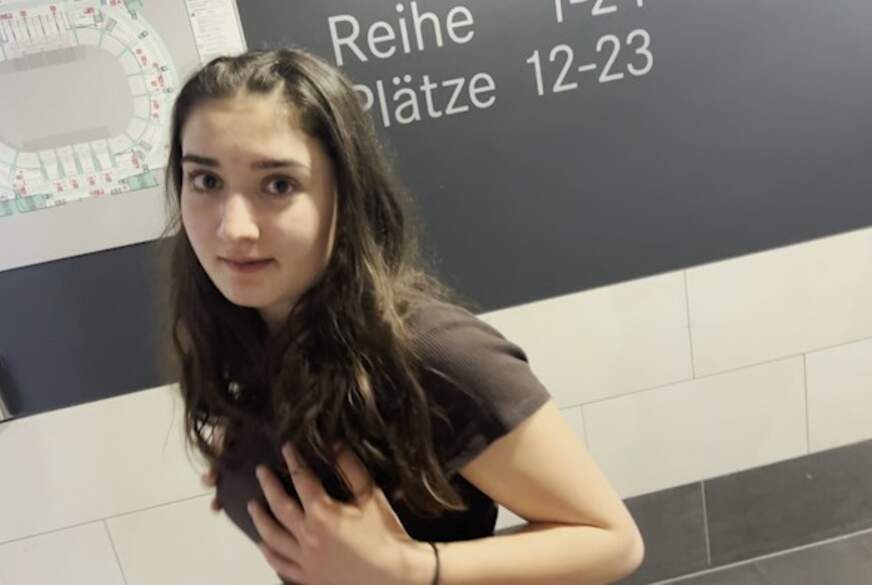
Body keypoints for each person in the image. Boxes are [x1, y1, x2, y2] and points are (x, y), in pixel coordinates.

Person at [159, 48, 644, 585]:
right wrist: (252, 459)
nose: (233, 229)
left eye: (278, 185)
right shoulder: (246, 326)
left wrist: (409, 568)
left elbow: (613, 541)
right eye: (206, 181)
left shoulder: (434, 353)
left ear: (345, 194)